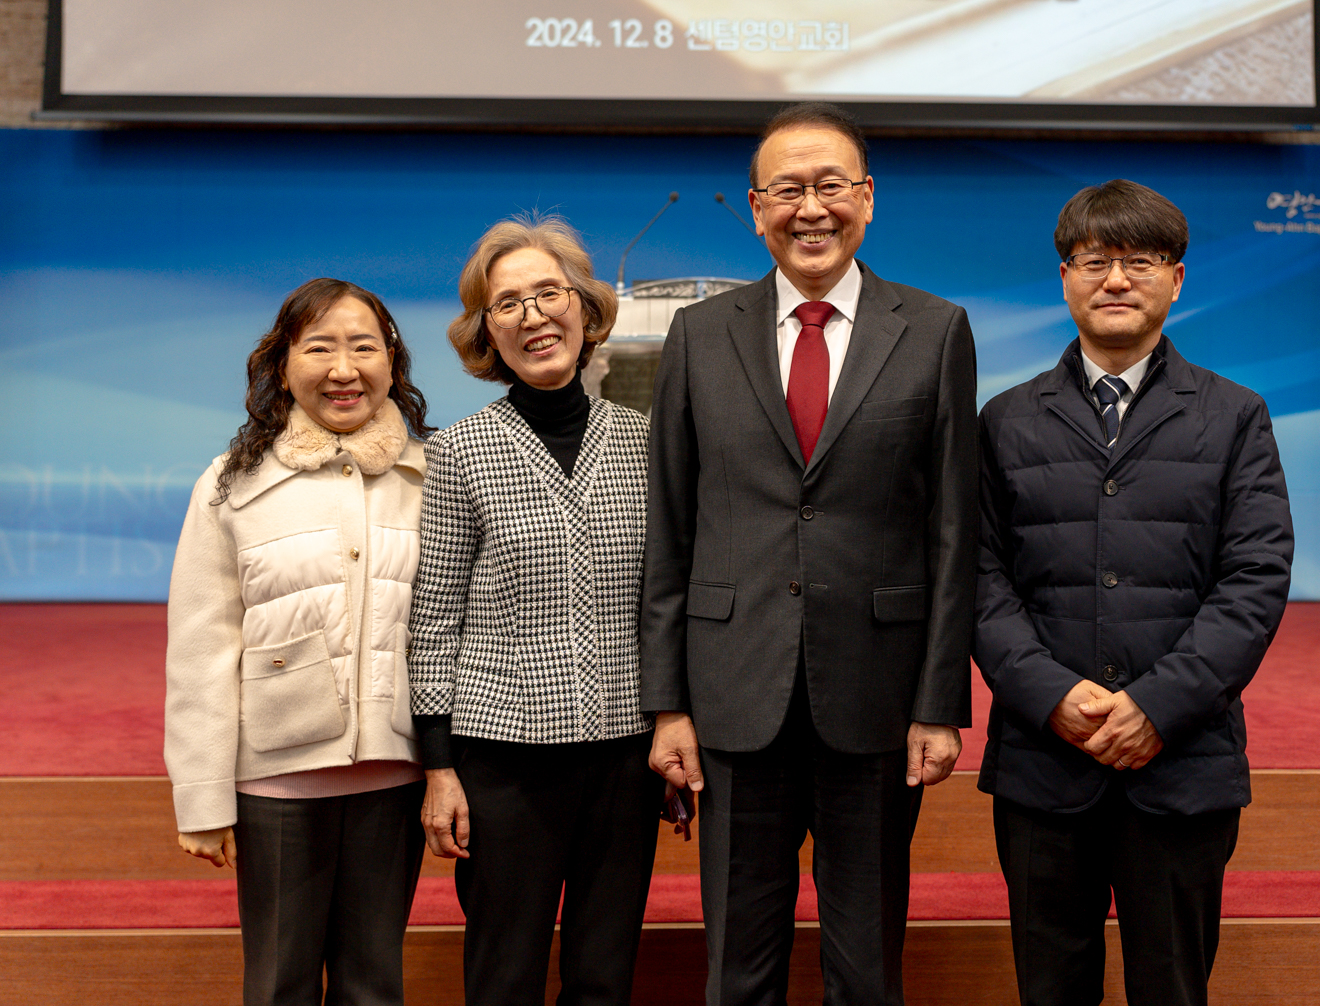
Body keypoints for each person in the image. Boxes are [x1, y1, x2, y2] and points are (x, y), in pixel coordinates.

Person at [640, 101, 978, 1005]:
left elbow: (953, 531)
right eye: (788, 190)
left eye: (831, 185)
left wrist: (940, 704)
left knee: (866, 967)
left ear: (867, 198)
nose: (812, 208)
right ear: (756, 210)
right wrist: (667, 706)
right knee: (737, 969)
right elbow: (669, 529)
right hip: (732, 694)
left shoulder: (935, 329)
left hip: (877, 696)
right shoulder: (698, 334)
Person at [974, 179, 1295, 1006]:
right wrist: (1050, 695)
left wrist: (1158, 706)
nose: (1116, 279)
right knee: (1050, 988)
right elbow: (978, 577)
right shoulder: (1005, 421)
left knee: (1174, 987)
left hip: (1181, 763)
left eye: (1140, 262)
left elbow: (1255, 578)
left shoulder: (1234, 416)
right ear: (1065, 278)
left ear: (1176, 280)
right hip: (1045, 763)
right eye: (1095, 261)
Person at [408, 214, 664, 1006]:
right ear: (487, 332)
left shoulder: (647, 442)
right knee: (504, 977)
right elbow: (433, 620)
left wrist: (676, 724)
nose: (533, 317)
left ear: (585, 309)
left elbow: (668, 601)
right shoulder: (458, 451)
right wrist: (439, 768)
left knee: (603, 977)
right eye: (508, 304)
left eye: (549, 294)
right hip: (503, 763)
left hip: (625, 754)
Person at [164, 277, 435, 1006]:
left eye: (363, 347)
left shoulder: (433, 479)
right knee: (278, 985)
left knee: (374, 986)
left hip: (395, 777)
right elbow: (201, 648)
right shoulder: (231, 484)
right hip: (276, 783)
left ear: (392, 363)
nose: (344, 369)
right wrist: (202, 798)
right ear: (282, 366)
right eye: (319, 348)